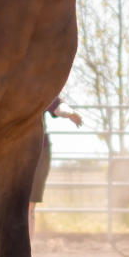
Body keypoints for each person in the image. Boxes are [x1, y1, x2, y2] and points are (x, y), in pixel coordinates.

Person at [29, 96, 83, 230]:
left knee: (29, 205)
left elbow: (57, 105)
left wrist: (70, 113)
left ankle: (25, 248)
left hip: (38, 151)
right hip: (12, 150)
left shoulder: (39, 87)